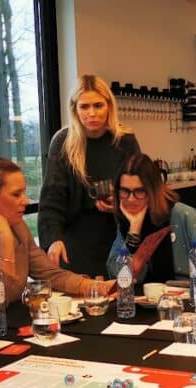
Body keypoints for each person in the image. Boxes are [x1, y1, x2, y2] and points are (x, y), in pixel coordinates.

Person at [0, 158, 115, 324]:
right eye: (16, 194)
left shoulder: (18, 227)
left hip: (15, 321)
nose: (26, 201)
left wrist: (95, 286)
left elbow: (49, 273)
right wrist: (6, 241)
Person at [39, 75, 142, 276]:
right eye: (84, 107)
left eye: (98, 105)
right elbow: (51, 199)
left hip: (118, 236)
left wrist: (119, 201)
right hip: (76, 241)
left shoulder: (125, 141)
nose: (92, 113)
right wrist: (53, 239)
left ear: (109, 106)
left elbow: (141, 190)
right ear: (75, 109)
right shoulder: (63, 142)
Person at [106, 153, 196, 293]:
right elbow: (116, 277)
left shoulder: (184, 216)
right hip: (145, 303)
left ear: (153, 191)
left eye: (139, 191)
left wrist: (181, 290)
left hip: (192, 302)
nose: (131, 199)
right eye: (125, 191)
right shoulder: (129, 222)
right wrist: (133, 233)